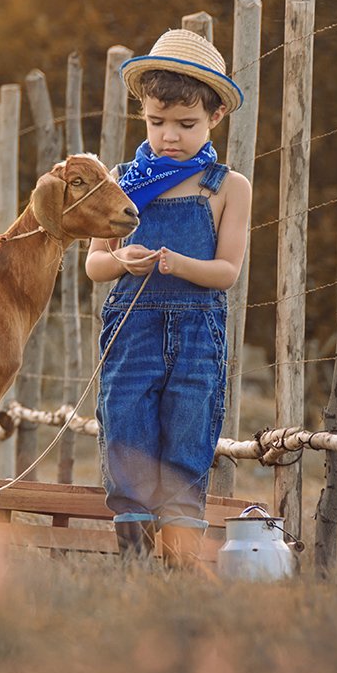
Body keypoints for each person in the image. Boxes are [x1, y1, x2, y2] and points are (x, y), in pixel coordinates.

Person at [84, 28, 252, 568]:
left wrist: (176, 264)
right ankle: (133, 560)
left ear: (215, 118)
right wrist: (123, 261)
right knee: (127, 428)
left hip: (197, 332)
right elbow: (94, 263)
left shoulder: (227, 187)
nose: (169, 137)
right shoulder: (120, 182)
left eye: (186, 125)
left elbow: (227, 271)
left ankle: (179, 561)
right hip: (131, 331)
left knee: (187, 432)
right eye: (157, 123)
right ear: (143, 113)